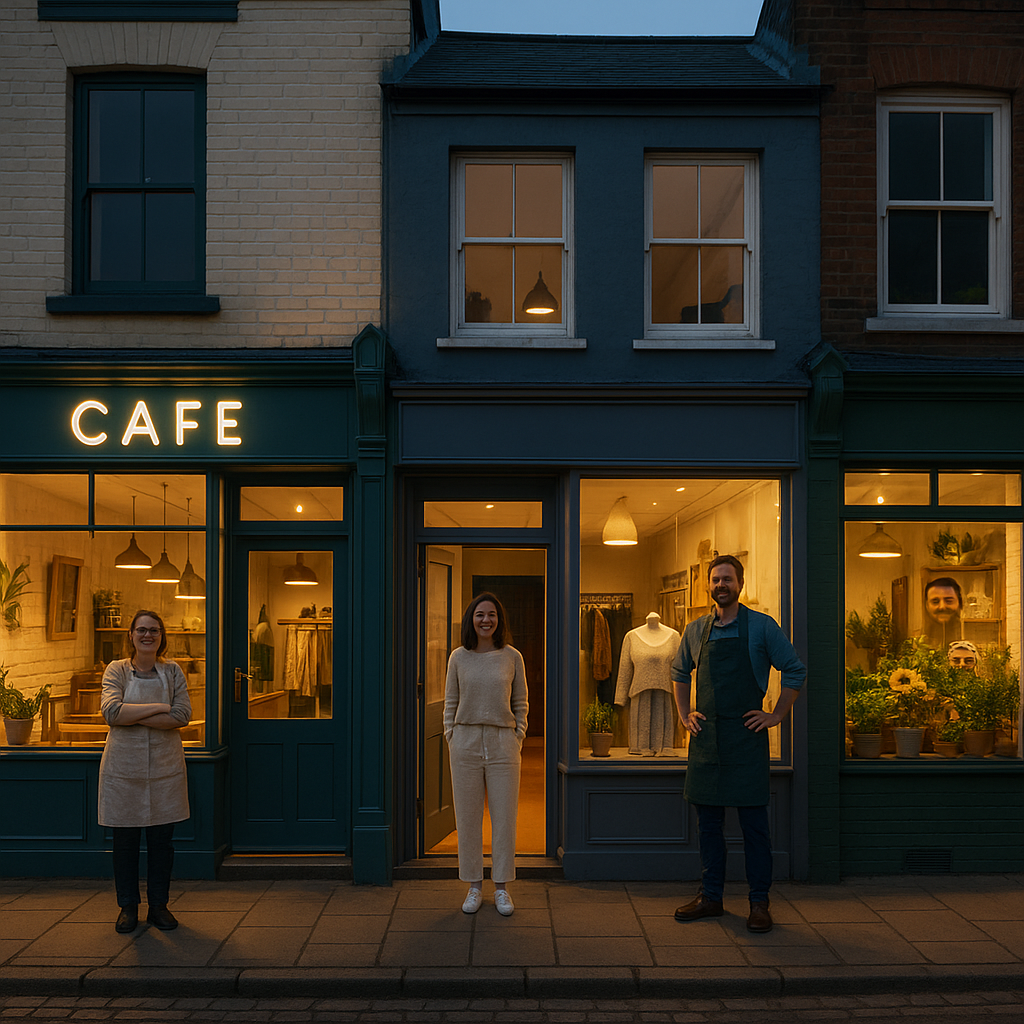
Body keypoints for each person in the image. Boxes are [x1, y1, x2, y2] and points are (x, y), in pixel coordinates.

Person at [671, 555, 806, 934]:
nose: (721, 585)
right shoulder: (696, 630)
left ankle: (759, 903)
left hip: (747, 741)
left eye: (727, 579)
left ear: (739, 584)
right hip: (707, 741)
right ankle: (711, 897)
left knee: (754, 829)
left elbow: (795, 670)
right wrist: (685, 714)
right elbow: (679, 671)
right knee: (708, 828)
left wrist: (776, 715)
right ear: (708, 585)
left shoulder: (762, 628)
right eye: (715, 580)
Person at [99, 610, 192, 934]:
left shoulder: (173, 671)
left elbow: (182, 715)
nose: (147, 635)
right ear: (131, 635)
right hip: (124, 768)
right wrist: (160, 707)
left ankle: (158, 906)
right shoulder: (117, 671)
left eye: (154, 630)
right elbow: (111, 712)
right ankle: (127, 907)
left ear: (162, 636)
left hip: (165, 769)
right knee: (125, 841)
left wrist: (132, 714)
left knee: (161, 843)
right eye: (141, 630)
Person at [443, 592, 528, 917]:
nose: (485, 620)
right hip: (464, 741)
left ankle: (502, 887)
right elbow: (451, 701)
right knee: (467, 818)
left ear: (499, 619)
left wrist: (517, 733)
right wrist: (452, 735)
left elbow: (521, 701)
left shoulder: (511, 657)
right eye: (480, 614)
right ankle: (474, 886)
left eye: (491, 614)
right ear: (471, 619)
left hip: (503, 741)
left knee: (504, 818)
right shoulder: (458, 658)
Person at [923, 577, 963, 650]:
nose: (942, 607)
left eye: (949, 601)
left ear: (960, 604)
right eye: (935, 602)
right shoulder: (918, 643)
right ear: (927, 606)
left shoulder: (973, 641)